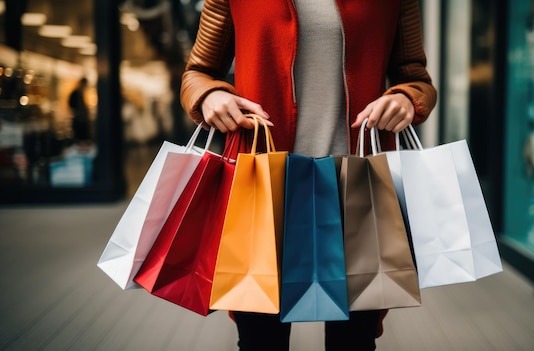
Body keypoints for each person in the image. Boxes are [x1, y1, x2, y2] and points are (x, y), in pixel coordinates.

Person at [180, 1, 437, 350]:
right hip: (263, 187)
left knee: (354, 340)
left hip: (358, 188)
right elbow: (197, 73)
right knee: (260, 338)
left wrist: (407, 98)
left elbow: (416, 79)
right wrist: (209, 94)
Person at [69, 77, 90, 143]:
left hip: (81, 119)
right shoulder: (76, 93)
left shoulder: (80, 94)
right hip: (79, 120)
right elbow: (72, 105)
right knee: (79, 139)